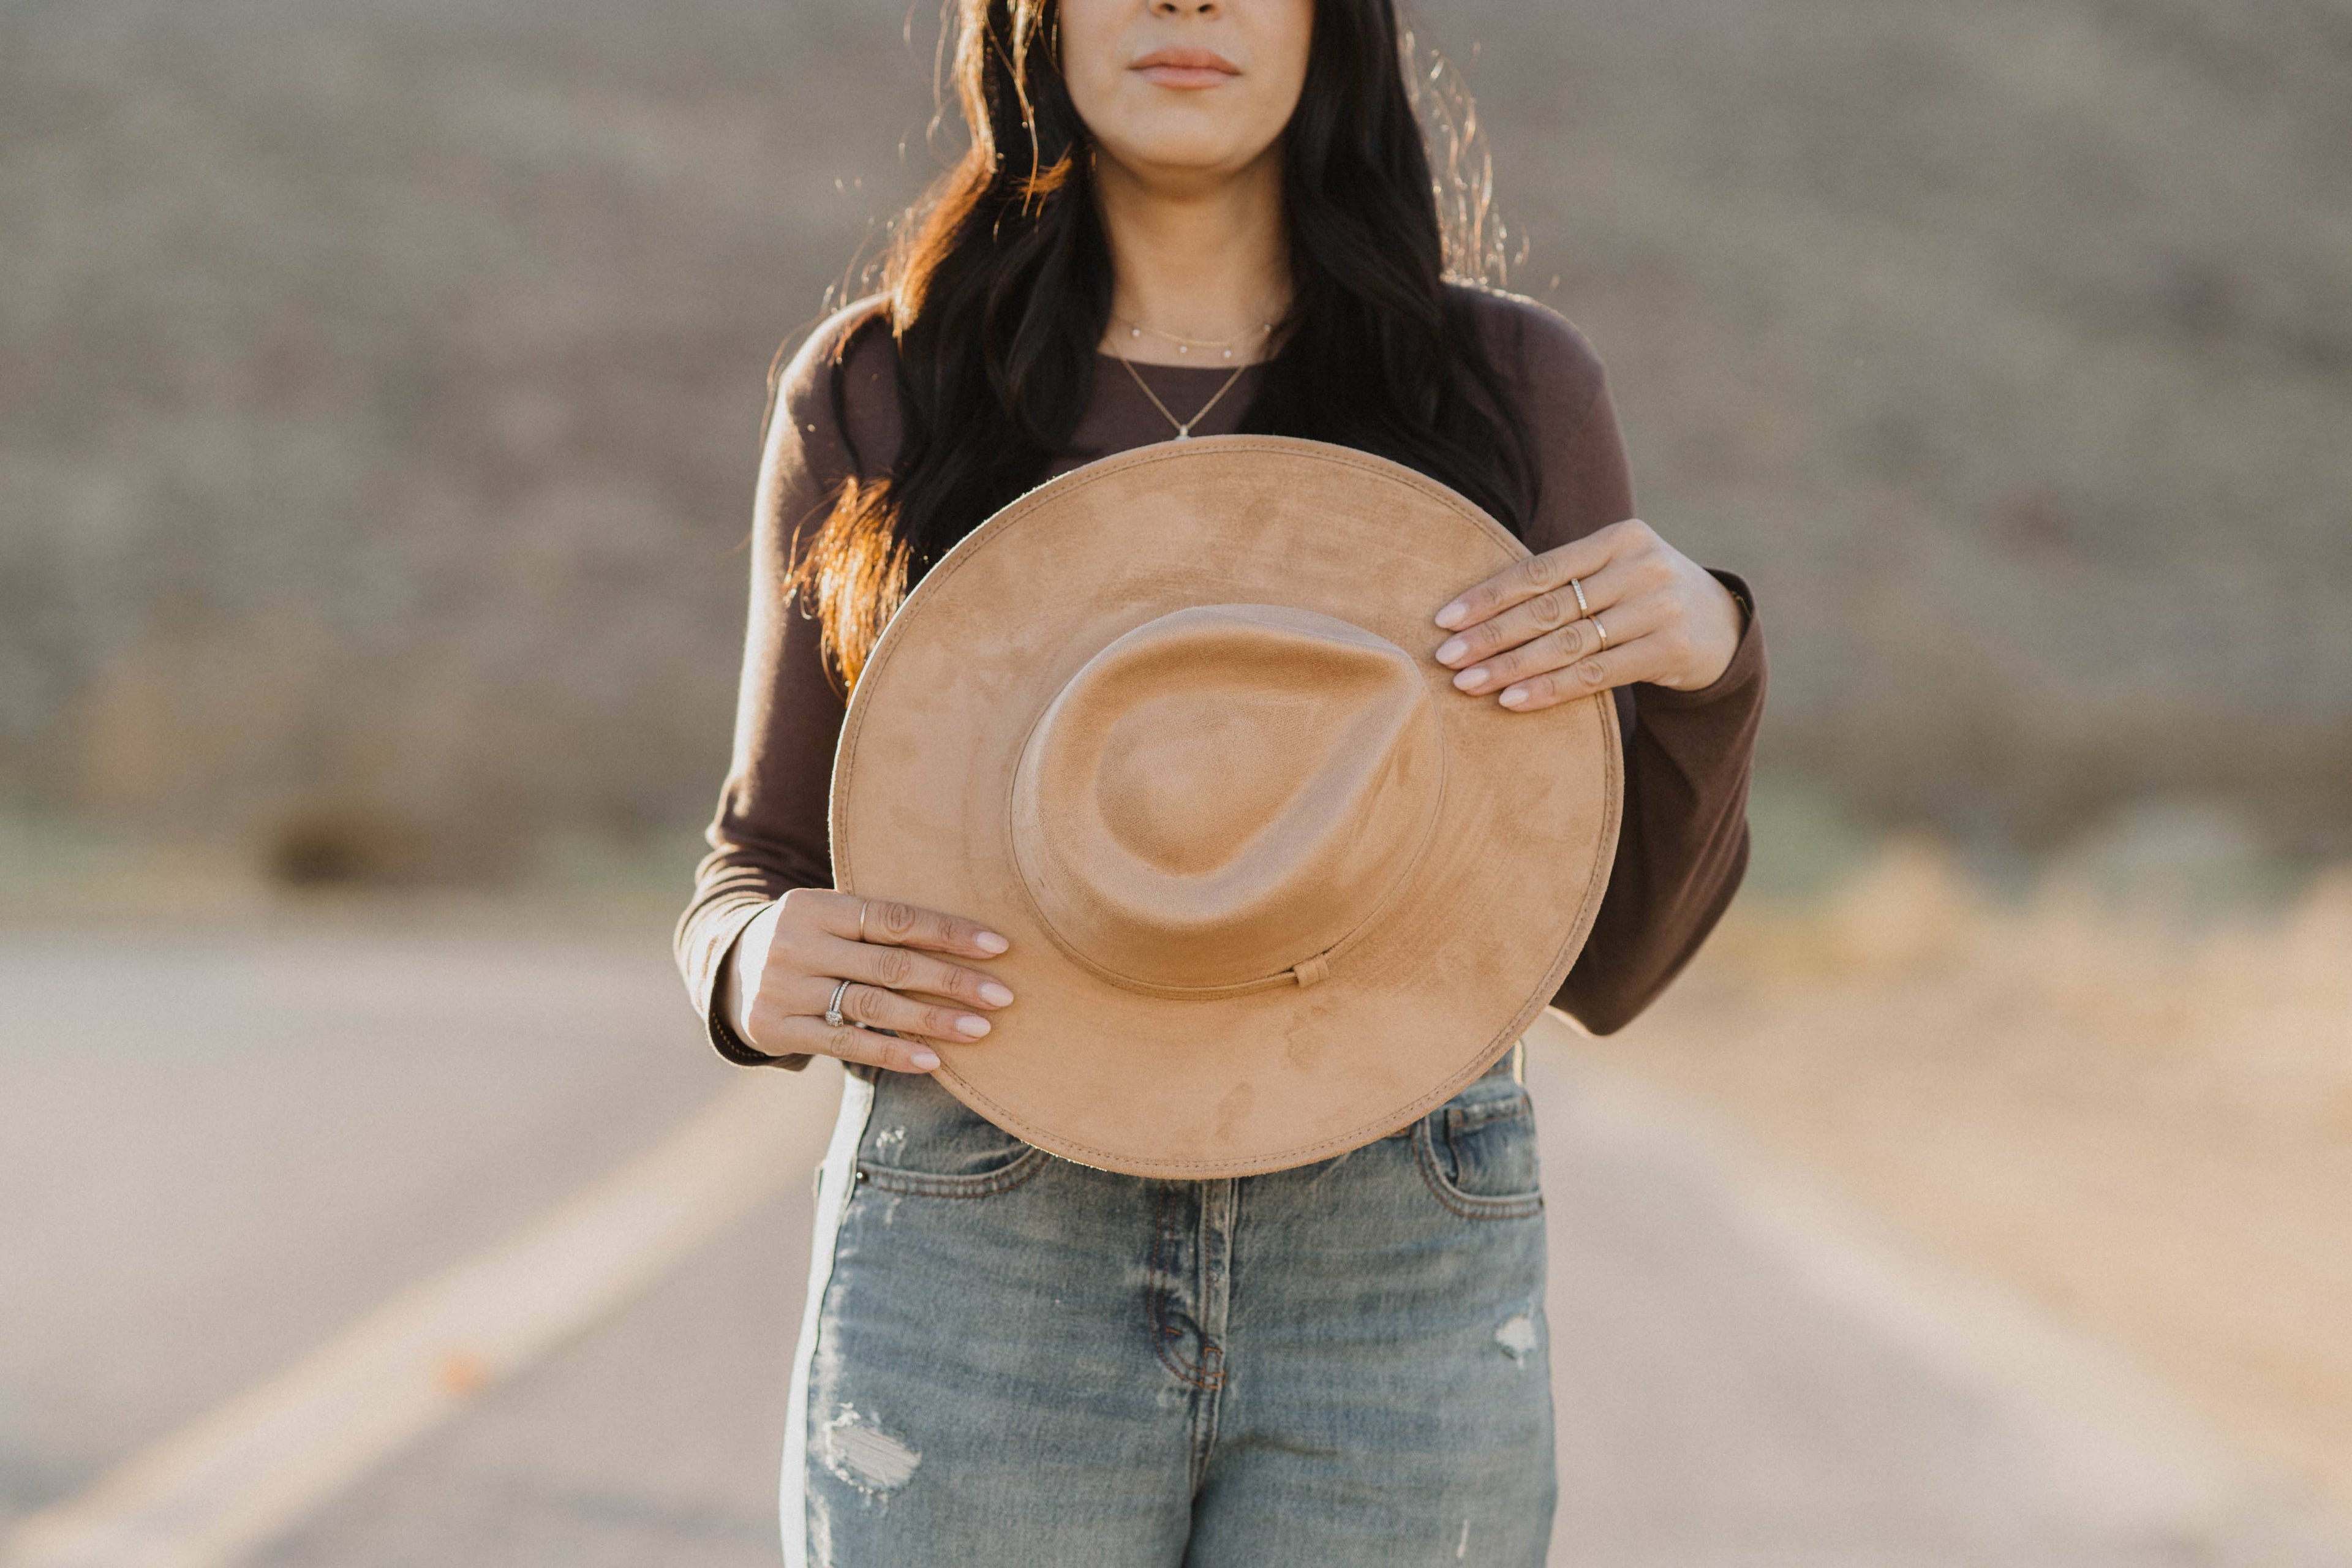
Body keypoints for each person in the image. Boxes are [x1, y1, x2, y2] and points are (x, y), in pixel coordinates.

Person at [673, 0, 1765, 1561]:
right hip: (982, 1244)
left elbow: (1607, 965)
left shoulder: (1506, 388)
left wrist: (1712, 664)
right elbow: (755, 866)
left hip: (1396, 1247)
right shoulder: (885, 383)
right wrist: (745, 964)